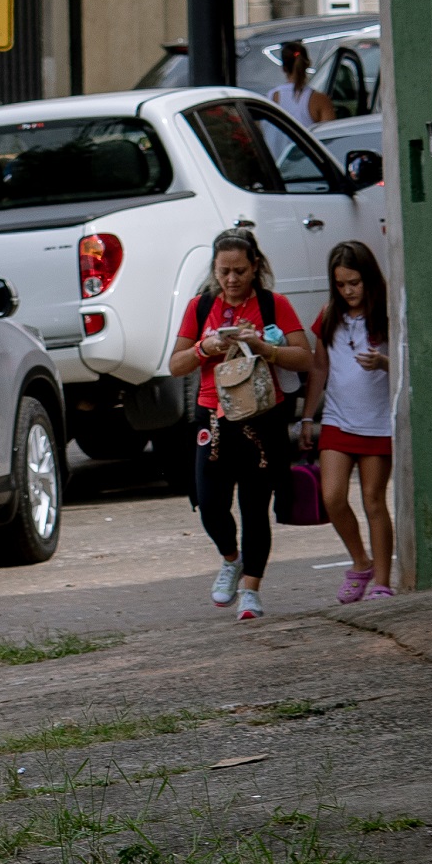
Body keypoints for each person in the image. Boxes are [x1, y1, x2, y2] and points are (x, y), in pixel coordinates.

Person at [166, 227, 313, 620]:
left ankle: (251, 590)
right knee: (210, 503)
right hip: (212, 417)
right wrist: (205, 347)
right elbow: (175, 364)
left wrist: (267, 348)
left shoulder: (272, 304)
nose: (231, 280)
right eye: (224, 271)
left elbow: (305, 358)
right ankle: (231, 559)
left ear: (255, 268)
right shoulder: (199, 307)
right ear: (215, 270)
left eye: (240, 271)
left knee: (254, 506)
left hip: (262, 417)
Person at [302, 240, 395, 602]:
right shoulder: (329, 316)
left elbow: (408, 359)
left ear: (369, 279)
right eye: (341, 284)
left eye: (354, 282)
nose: (349, 291)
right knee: (333, 497)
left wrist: (384, 363)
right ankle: (360, 563)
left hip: (378, 423)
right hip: (338, 420)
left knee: (374, 500)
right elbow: (320, 368)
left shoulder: (387, 314)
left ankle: (383, 581)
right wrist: (308, 417)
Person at [270, 39, 334, 126]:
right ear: (308, 64)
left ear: (283, 68)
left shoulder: (271, 97)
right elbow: (329, 134)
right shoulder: (320, 100)